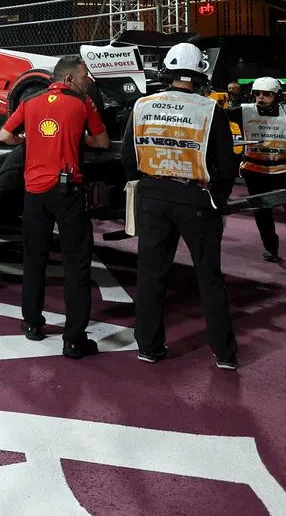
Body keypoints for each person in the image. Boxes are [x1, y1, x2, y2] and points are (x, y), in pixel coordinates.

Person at [122, 42, 241, 369]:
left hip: (153, 196)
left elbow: (127, 156)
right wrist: (218, 197)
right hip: (196, 199)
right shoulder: (209, 110)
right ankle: (224, 353)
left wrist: (146, 182)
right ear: (201, 72)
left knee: (150, 276)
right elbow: (227, 165)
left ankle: (148, 346)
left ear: (168, 70)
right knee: (209, 277)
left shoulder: (142, 105)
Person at [0, 55, 110, 358]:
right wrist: (77, 138)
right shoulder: (81, 103)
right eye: (85, 76)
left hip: (34, 192)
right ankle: (74, 339)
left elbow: (4, 135)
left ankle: (33, 323)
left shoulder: (31, 101)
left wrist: (27, 138)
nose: (88, 81)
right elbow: (102, 142)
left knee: (34, 258)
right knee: (76, 263)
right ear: (70, 79)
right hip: (67, 191)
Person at [225, 76, 286, 266]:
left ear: (277, 96)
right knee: (262, 211)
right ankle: (270, 247)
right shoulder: (244, 111)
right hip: (255, 171)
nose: (261, 98)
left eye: (266, 94)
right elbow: (218, 117)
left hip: (285, 170)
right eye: (257, 94)